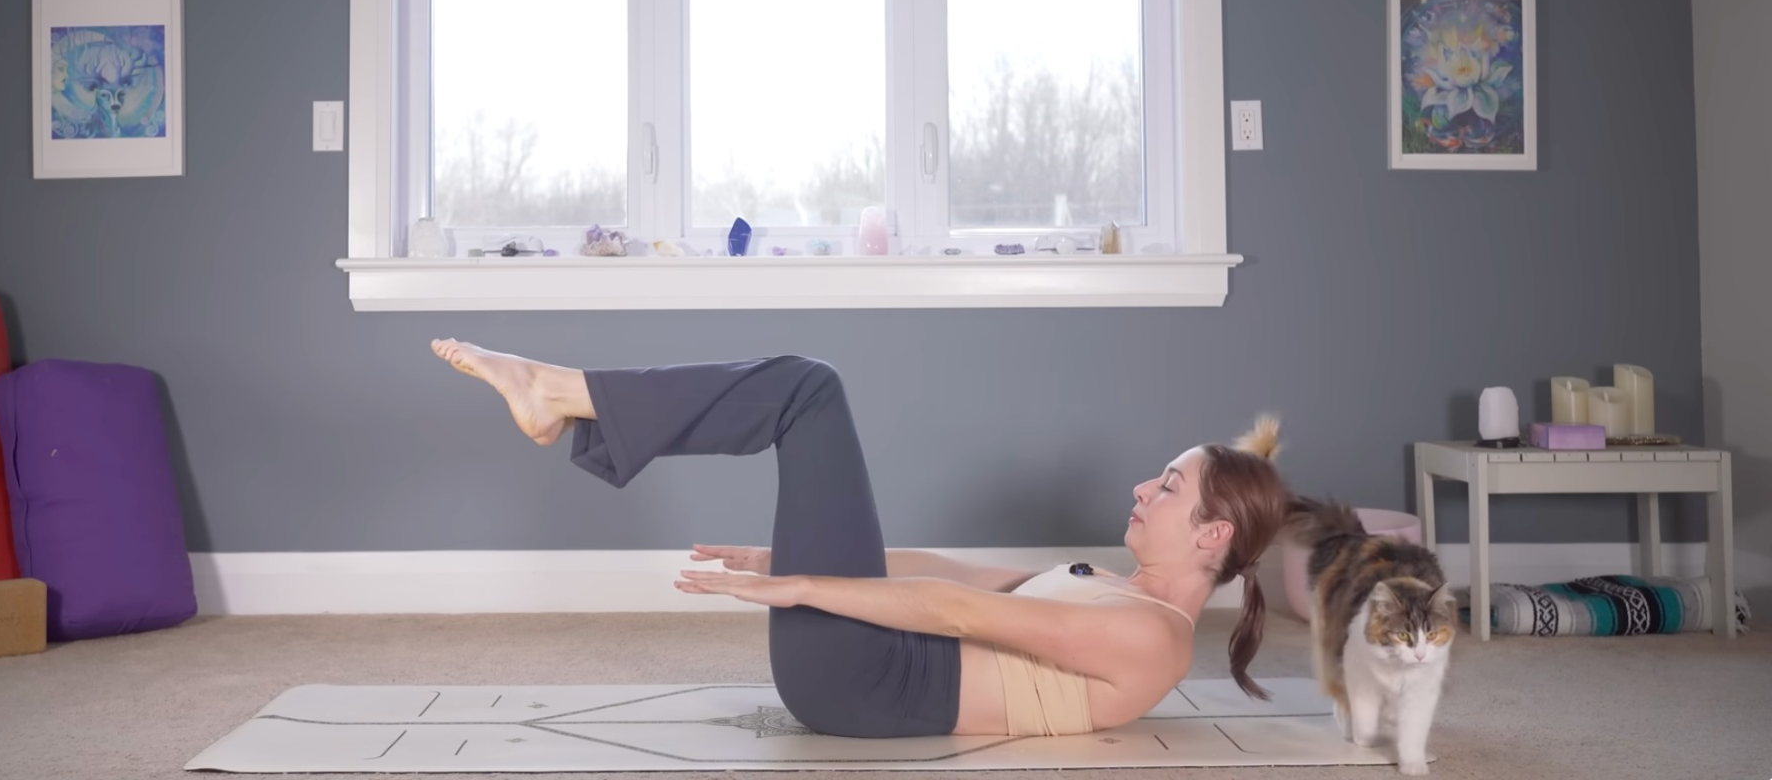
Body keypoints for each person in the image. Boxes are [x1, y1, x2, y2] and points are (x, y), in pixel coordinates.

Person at [430, 341, 1288, 739]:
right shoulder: (1109, 584)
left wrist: (803, 589)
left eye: (1168, 485)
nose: (1144, 487)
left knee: (810, 390)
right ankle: (566, 397)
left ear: (1213, 532)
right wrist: (784, 560)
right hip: (863, 667)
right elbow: (954, 575)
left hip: (865, 685)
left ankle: (563, 393)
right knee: (808, 390)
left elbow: (952, 615)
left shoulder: (1154, 638)